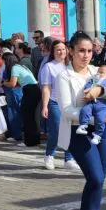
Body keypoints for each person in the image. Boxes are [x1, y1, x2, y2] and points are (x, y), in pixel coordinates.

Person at [57, 31, 106, 210]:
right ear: (71, 51)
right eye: (81, 51)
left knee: (100, 179)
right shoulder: (63, 76)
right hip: (79, 131)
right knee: (94, 177)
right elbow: (66, 110)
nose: (86, 55)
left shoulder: (97, 71)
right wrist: (93, 118)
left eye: (90, 51)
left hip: (105, 131)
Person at [39, 39, 75, 172]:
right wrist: (45, 105)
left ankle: (69, 158)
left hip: (70, 102)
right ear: (53, 52)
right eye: (58, 50)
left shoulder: (71, 65)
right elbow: (46, 88)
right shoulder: (49, 67)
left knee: (70, 130)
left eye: (63, 49)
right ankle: (49, 155)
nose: (61, 52)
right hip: (54, 102)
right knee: (56, 130)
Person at [75, 64, 106, 144]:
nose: (98, 74)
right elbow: (88, 85)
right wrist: (87, 89)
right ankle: (83, 125)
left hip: (104, 104)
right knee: (85, 110)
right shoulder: (94, 80)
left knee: (101, 118)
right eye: (98, 72)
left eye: (101, 72)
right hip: (92, 101)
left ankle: (98, 135)